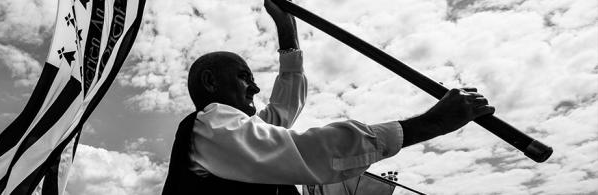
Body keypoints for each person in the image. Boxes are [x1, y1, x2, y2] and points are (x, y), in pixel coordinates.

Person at [162, 0, 495, 194]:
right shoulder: (212, 125)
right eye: (244, 78)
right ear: (210, 82)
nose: (255, 88)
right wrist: (433, 123)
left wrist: (287, 31)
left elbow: (283, 107)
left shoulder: (235, 136)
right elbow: (310, 151)